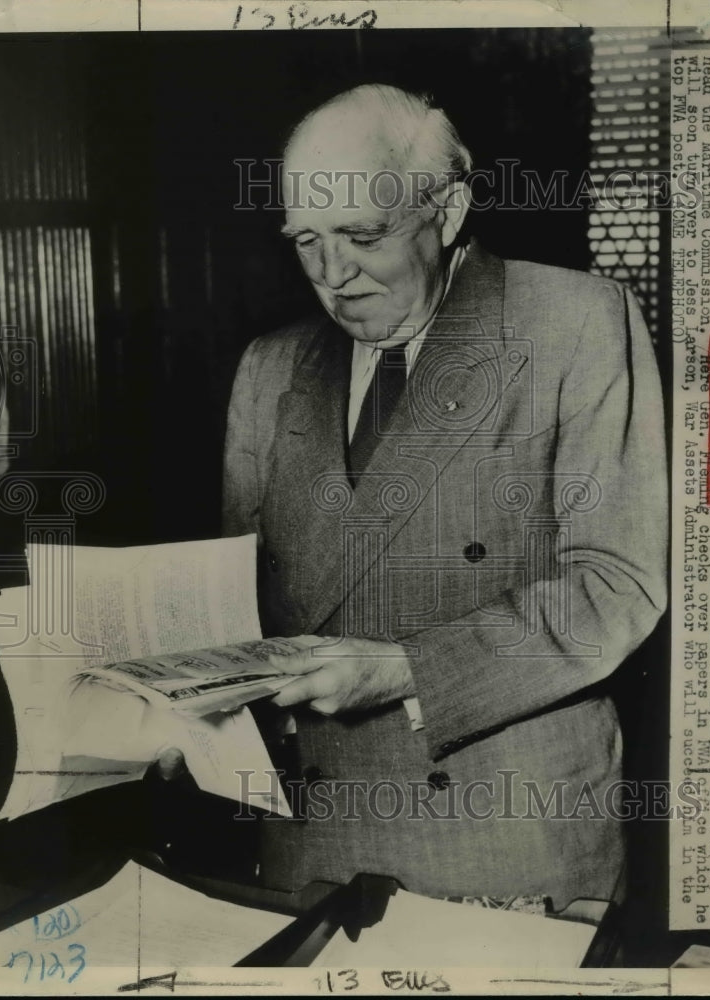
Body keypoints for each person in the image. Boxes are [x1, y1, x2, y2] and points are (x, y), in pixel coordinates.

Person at [217, 83, 667, 908]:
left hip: (502, 843)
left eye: (363, 234)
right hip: (311, 841)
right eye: (306, 239)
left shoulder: (573, 323)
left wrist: (405, 670)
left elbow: (617, 585)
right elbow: (241, 609)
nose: (331, 274)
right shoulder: (269, 366)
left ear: (449, 209)